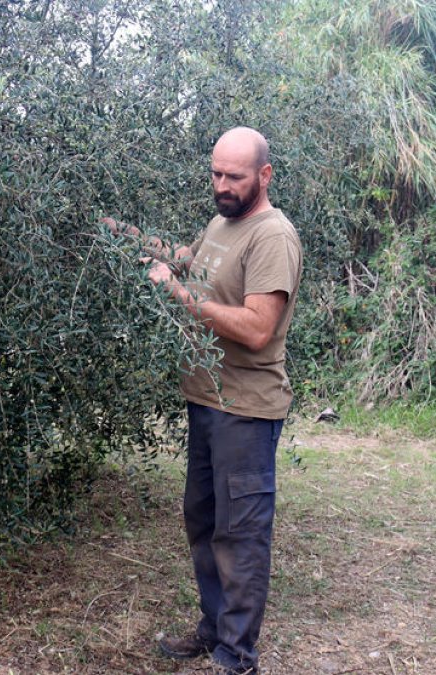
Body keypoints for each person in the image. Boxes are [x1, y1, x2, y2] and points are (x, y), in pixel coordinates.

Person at [105, 126, 303, 674]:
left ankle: (237, 656)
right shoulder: (224, 220)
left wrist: (182, 298)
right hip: (207, 400)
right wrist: (128, 238)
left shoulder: (272, 237)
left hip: (246, 408)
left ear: (263, 175)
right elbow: (189, 260)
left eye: (234, 177)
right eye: (215, 174)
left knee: (240, 535)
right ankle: (214, 629)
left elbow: (259, 328)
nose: (221, 185)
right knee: (204, 519)